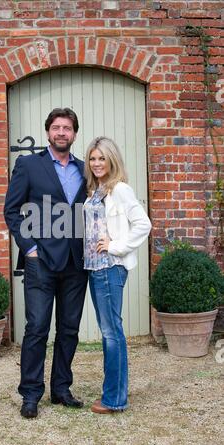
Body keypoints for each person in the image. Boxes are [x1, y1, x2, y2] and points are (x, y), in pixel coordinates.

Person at [4, 108, 88, 419]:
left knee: (69, 329)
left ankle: (61, 389)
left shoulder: (84, 169)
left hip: (76, 263)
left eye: (67, 128)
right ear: (48, 132)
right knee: (37, 328)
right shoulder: (28, 165)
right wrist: (29, 249)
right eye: (56, 127)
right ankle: (30, 394)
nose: (62, 132)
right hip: (40, 262)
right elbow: (12, 211)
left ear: (74, 134)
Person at [83, 136, 151, 414]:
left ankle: (114, 399)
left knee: (113, 333)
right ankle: (114, 394)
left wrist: (117, 246)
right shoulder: (96, 189)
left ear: (112, 160)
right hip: (94, 269)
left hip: (110, 267)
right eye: (93, 158)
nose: (97, 163)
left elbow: (143, 224)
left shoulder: (120, 189)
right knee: (110, 332)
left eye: (102, 158)